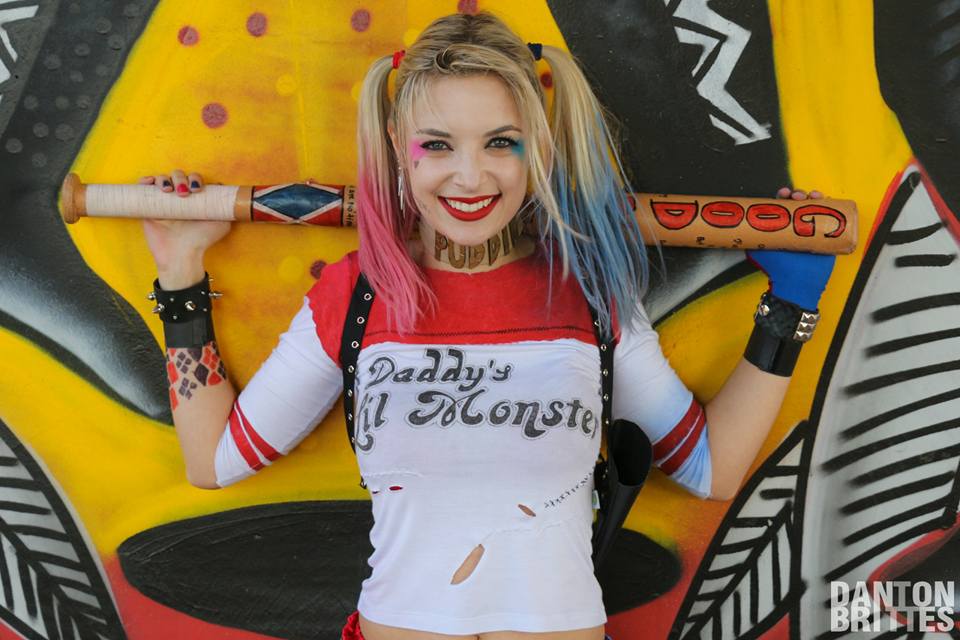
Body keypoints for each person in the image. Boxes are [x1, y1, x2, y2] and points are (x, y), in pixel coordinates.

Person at [139, 11, 834, 640]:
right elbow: (215, 460)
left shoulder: (589, 292)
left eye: (501, 142)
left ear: (538, 144)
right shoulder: (358, 295)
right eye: (437, 145)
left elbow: (711, 466)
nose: (469, 177)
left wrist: (793, 302)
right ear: (398, 143)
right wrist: (180, 276)